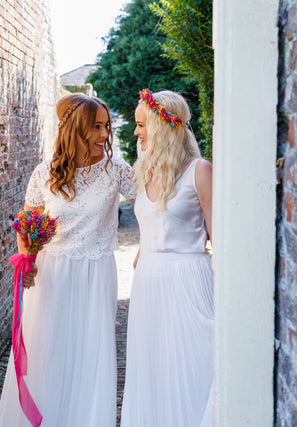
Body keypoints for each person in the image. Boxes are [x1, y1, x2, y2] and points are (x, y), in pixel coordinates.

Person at [0, 92, 134, 427]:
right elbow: (26, 221)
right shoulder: (45, 174)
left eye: (106, 126)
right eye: (97, 127)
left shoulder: (117, 171)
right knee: (50, 352)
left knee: (91, 353)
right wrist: (27, 258)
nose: (105, 135)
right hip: (52, 275)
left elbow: (151, 201)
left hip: (96, 272)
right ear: (76, 130)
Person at [120, 89, 214, 427]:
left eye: (142, 125)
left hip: (188, 278)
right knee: (152, 368)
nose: (136, 132)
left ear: (161, 127)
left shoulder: (200, 171)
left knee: (191, 362)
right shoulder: (140, 171)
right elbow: (152, 226)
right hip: (148, 284)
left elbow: (218, 236)